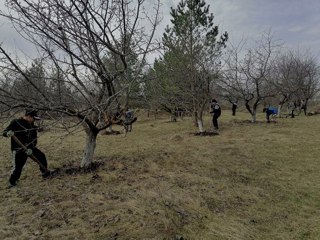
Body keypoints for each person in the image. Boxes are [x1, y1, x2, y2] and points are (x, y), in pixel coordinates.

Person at [2, 108, 50, 188]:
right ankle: (12, 182)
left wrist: (31, 148)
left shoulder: (32, 126)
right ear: (28, 116)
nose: (34, 120)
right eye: (33, 118)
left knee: (41, 156)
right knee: (18, 166)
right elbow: (4, 132)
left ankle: (45, 173)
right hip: (18, 149)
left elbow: (34, 140)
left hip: (29, 148)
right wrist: (7, 133)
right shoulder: (16, 122)